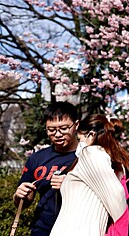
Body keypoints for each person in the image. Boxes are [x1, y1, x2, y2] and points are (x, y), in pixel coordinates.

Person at [49, 114, 129, 236]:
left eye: (80, 138)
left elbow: (116, 196)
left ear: (91, 135)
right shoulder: (107, 160)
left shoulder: (92, 154)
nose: (79, 144)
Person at [13, 101, 79, 236]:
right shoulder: (36, 159)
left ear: (76, 125)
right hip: (42, 229)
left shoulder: (90, 156)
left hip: (78, 228)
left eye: (64, 128)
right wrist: (19, 195)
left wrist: (70, 185)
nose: (58, 134)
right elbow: (24, 202)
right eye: (51, 130)